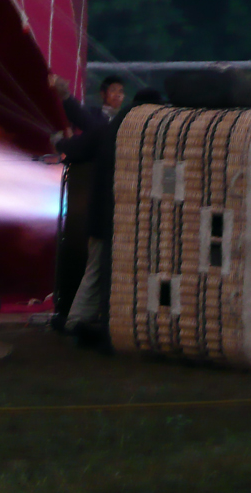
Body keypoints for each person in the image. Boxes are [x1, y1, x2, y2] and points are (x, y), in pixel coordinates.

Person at [68, 87, 166, 346]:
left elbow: (75, 149)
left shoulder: (109, 130)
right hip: (133, 221)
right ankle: (79, 322)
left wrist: (59, 141)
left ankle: (79, 322)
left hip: (104, 216)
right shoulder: (156, 133)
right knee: (103, 271)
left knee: (96, 271)